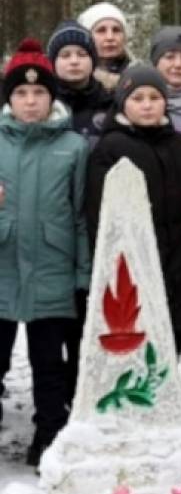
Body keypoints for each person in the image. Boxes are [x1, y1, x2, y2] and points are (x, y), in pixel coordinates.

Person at [0, 41, 91, 467]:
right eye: (21, 94)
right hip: (3, 266)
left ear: (51, 97)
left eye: (39, 93)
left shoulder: (73, 146)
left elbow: (81, 215)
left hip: (53, 266)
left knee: (48, 364)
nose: (30, 101)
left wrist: (83, 273)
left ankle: (49, 436)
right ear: (9, 99)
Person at [87, 66, 181, 352]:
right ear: (123, 102)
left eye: (154, 97)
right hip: (133, 259)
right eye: (138, 98)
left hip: (178, 259)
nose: (147, 105)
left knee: (169, 336)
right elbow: (99, 212)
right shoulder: (110, 147)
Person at [47, 20, 112, 147]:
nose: (74, 61)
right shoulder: (43, 105)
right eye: (65, 56)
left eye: (82, 55)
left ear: (93, 60)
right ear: (53, 62)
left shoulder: (111, 104)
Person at [78, 2, 133, 90]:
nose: (110, 37)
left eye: (116, 30)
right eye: (101, 30)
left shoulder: (142, 76)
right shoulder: (75, 80)